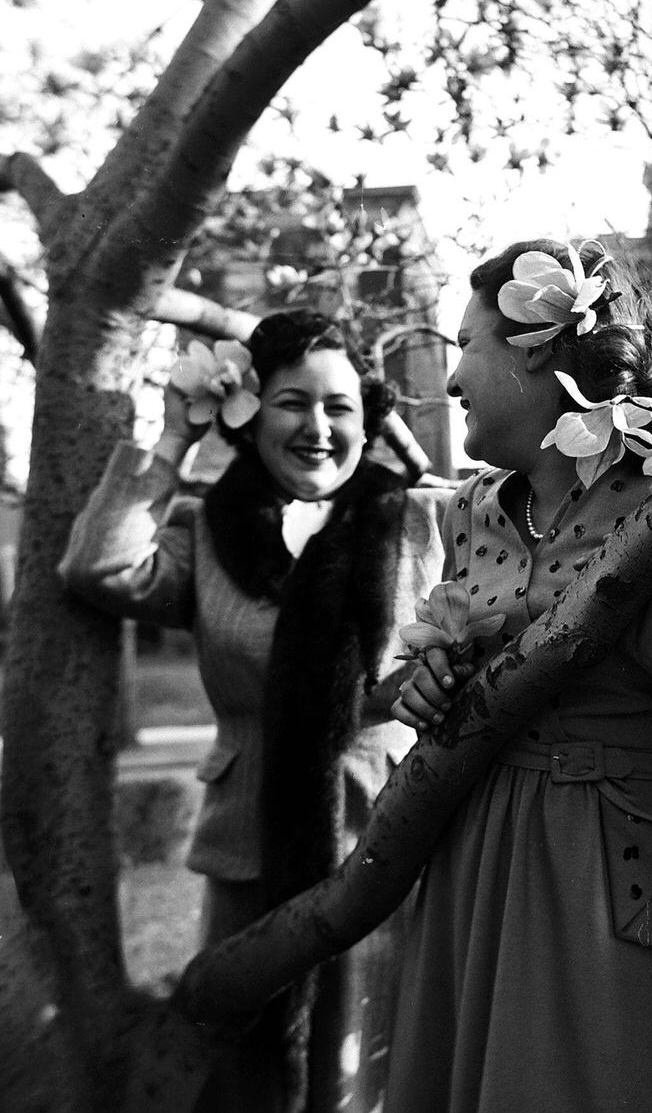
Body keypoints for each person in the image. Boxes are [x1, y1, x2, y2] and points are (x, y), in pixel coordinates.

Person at [385, 238, 652, 1113]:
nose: (453, 377)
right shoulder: (469, 510)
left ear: (539, 346)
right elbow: (452, 672)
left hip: (624, 869)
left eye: (466, 345)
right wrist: (425, 689)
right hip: (474, 861)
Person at [60, 309, 451, 1113]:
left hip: (383, 837)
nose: (318, 427)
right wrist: (170, 441)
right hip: (248, 846)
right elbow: (97, 565)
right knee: (250, 1075)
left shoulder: (421, 521)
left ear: (367, 420)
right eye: (292, 402)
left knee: (371, 1070)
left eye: (340, 407)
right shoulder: (208, 533)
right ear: (247, 411)